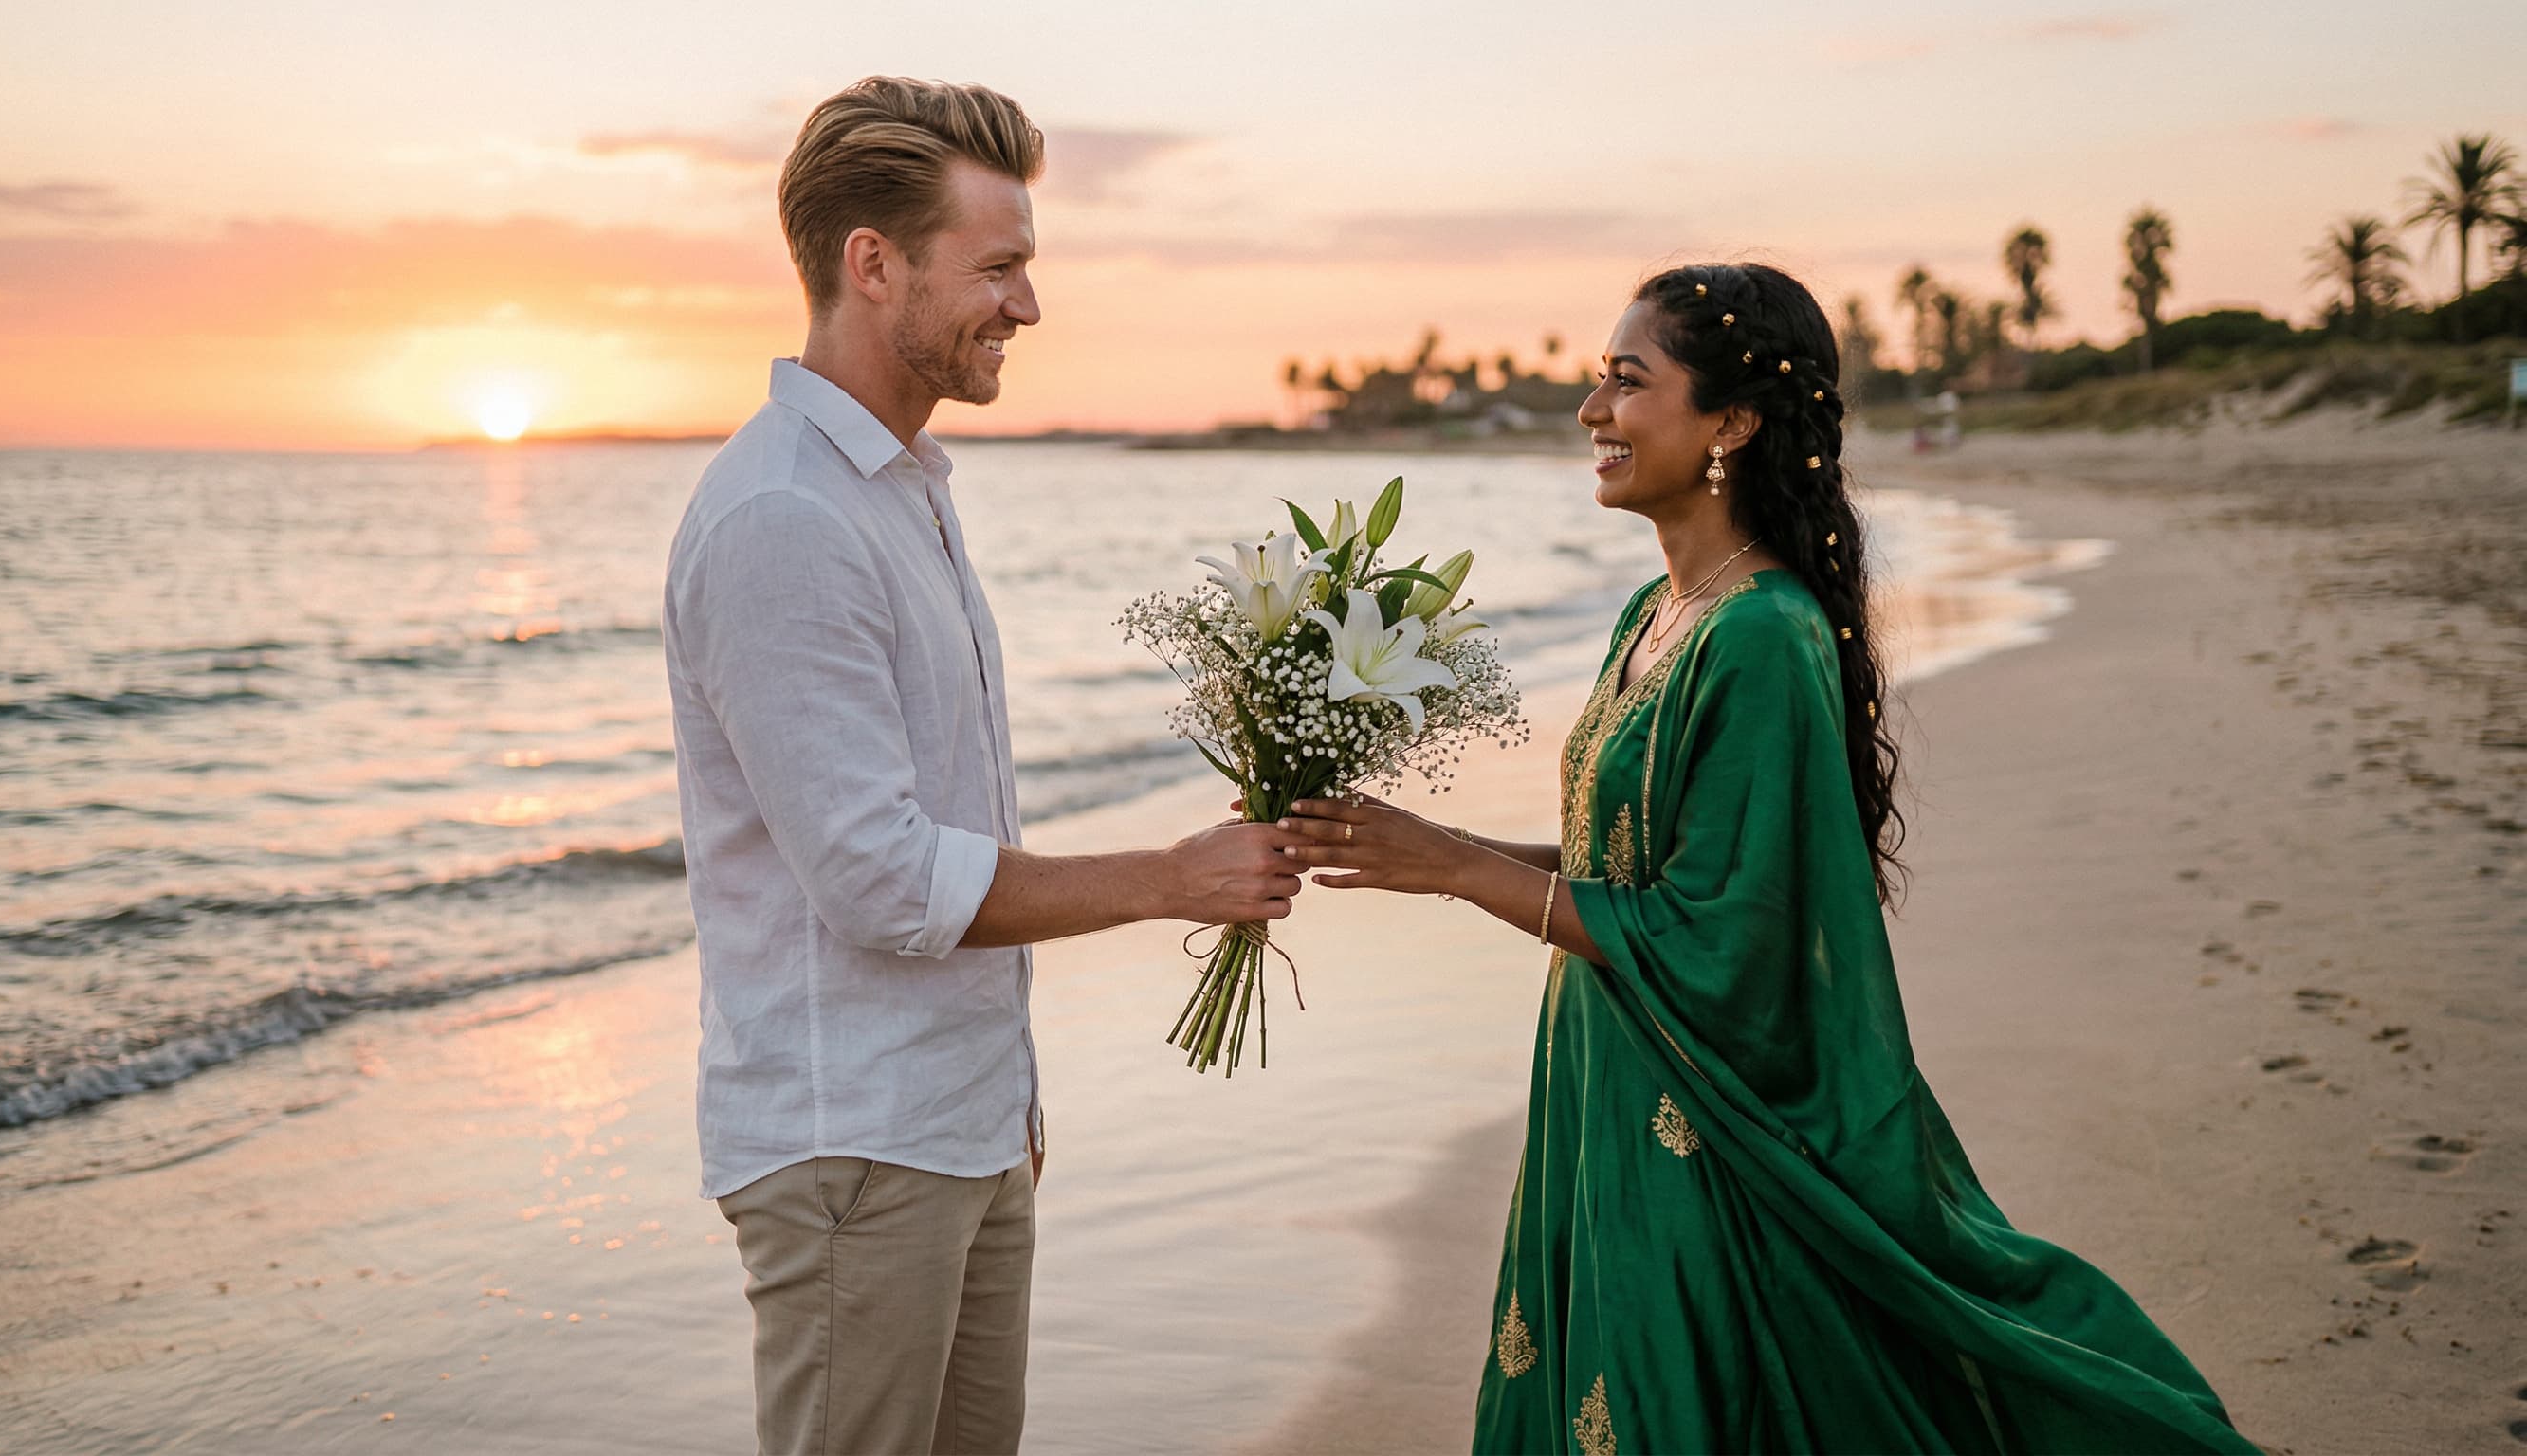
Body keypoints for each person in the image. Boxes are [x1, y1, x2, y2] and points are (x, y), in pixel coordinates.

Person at [1278, 263, 2257, 1454]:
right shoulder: (1654, 612)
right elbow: (1624, 864)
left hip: (1696, 1113)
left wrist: (1451, 865)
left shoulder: (1762, 635)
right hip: (1604, 1069)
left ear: (1732, 422)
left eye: (1625, 383)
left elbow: (1726, 939)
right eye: (1597, 380)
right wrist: (1418, 845)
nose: (1590, 413)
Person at [661, 77, 1305, 1456]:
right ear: (872, 263)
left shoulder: (903, 490)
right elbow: (879, 879)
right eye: (999, 266)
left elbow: (943, 820)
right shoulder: (784, 516)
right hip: (855, 1145)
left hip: (957, 1123)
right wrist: (1170, 878)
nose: (1028, 304)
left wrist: (1006, 1100)